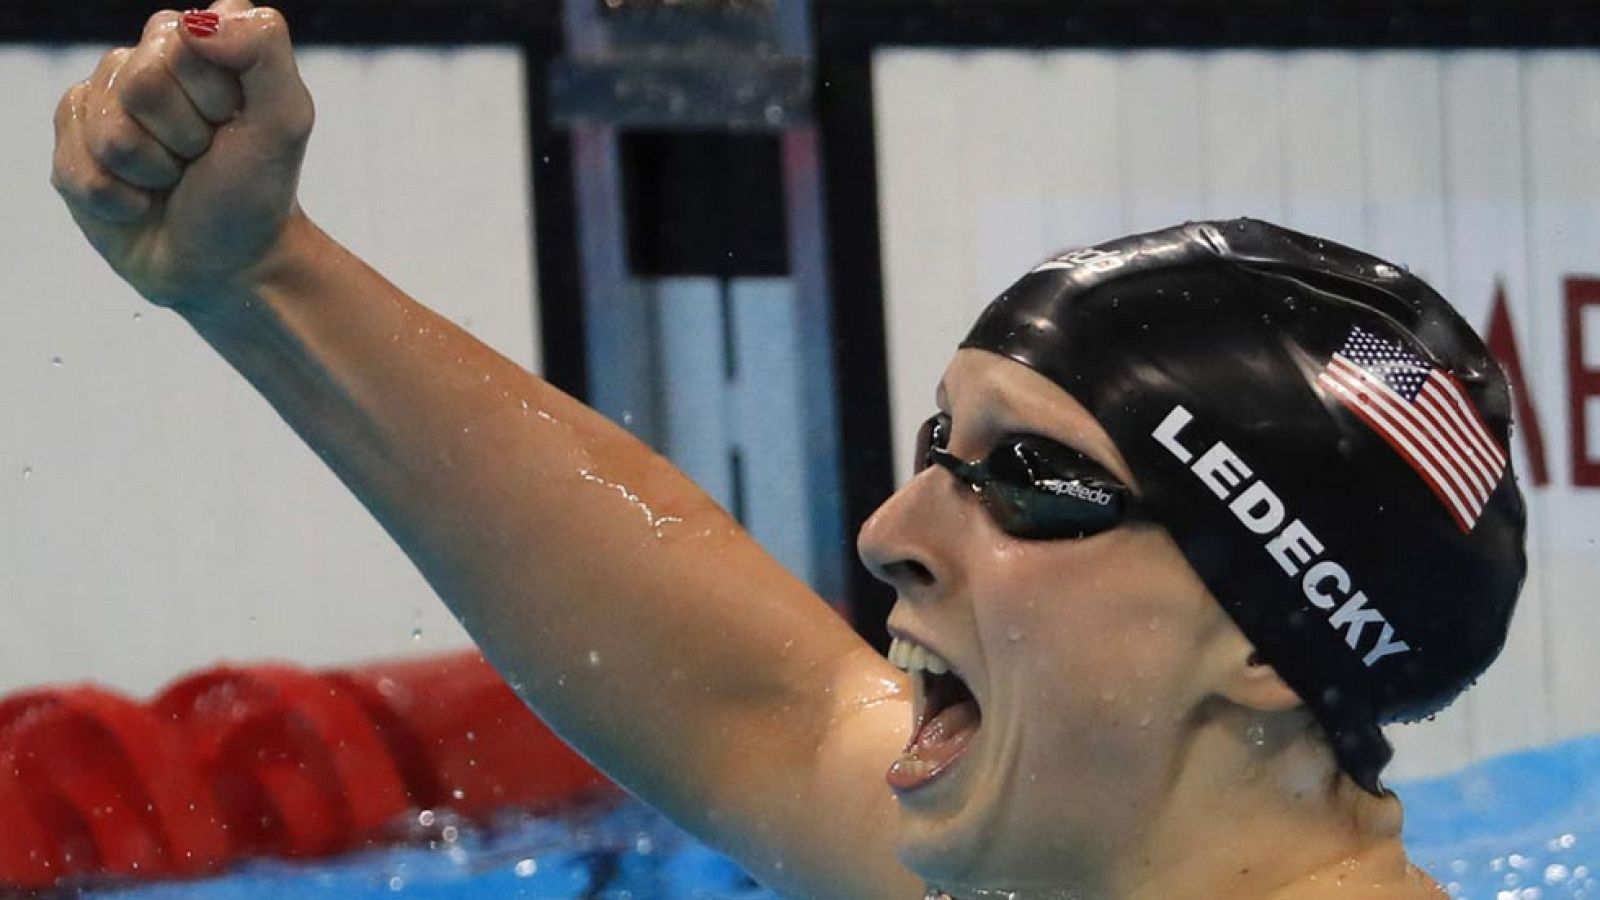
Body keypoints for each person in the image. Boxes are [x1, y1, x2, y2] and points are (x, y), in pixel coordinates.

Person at [50, 5, 1525, 899]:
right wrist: (255, 277)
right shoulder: (1060, 865)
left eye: (1034, 478)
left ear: (1275, 634)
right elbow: (760, 704)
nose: (891, 528)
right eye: (943, 449)